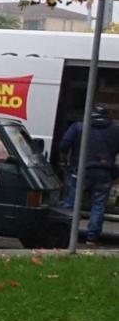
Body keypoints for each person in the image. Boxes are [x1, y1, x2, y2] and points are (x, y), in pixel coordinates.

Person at [59, 103, 119, 242]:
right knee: (98, 206)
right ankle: (92, 238)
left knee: (71, 204)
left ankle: (65, 234)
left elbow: (64, 145)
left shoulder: (79, 126)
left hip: (81, 171)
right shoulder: (115, 130)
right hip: (104, 172)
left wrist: (65, 162)